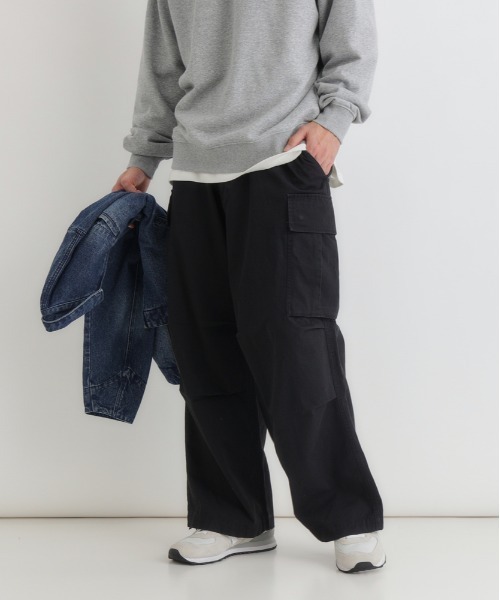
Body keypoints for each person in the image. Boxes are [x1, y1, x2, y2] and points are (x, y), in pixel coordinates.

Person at [112, 0, 386, 573]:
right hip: (194, 174)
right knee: (205, 351)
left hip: (282, 162)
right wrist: (144, 156)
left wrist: (334, 121)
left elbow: (350, 37)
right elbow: (162, 64)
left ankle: (349, 517)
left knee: (298, 350)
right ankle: (233, 517)